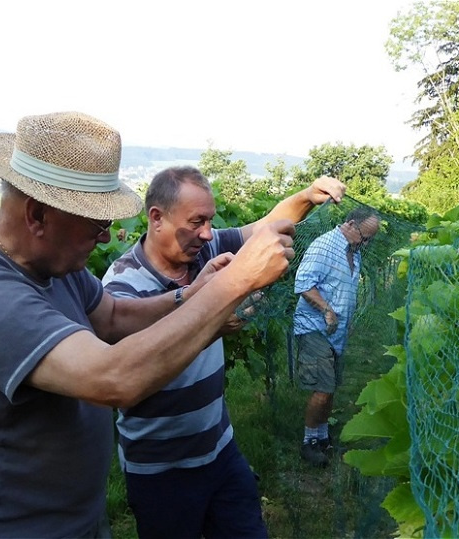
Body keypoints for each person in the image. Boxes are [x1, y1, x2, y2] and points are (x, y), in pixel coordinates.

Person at [0, 112, 299, 538]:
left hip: (72, 522)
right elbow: (113, 379)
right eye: (96, 225)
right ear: (37, 215)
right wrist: (234, 283)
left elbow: (114, 317)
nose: (105, 237)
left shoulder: (51, 263)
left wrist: (191, 295)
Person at [100, 166, 345, 538]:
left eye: (210, 221)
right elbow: (138, 368)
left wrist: (306, 197)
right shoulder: (123, 286)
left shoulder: (206, 248)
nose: (207, 232)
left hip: (220, 449)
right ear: (157, 218)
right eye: (196, 222)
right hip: (161, 469)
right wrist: (213, 322)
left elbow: (262, 228)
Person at [292, 206, 380, 466]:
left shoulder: (354, 251)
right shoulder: (324, 246)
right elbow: (303, 284)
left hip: (336, 331)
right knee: (323, 388)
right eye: (364, 237)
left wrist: (346, 320)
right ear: (350, 224)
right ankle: (309, 442)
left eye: (370, 240)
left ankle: (322, 436)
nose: (366, 244)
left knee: (330, 388)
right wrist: (327, 310)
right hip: (314, 327)